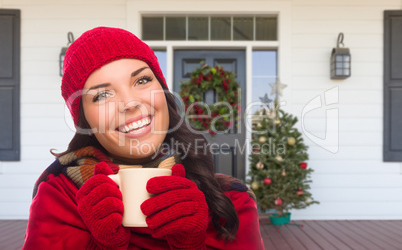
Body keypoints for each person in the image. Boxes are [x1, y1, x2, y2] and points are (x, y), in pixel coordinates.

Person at [23, 27, 264, 249]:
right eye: (102, 95)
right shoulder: (59, 195)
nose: (130, 103)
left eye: (142, 80)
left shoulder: (233, 200)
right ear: (85, 120)